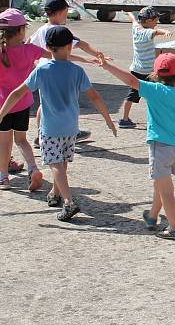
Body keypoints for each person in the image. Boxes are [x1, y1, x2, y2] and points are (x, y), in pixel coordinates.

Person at [0, 26, 117, 221]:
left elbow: (17, 93)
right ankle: (55, 193)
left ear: (47, 47)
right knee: (62, 161)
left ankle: (68, 202)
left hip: (50, 128)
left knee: (54, 163)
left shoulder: (42, 70)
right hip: (71, 127)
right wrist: (108, 120)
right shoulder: (77, 71)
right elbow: (95, 96)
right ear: (70, 48)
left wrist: (2, 113)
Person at [100, 52, 175, 240]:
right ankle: (152, 216)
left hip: (160, 148)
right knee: (160, 183)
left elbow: (130, 80)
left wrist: (107, 66)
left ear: (155, 74)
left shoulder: (154, 90)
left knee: (166, 190)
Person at [28, 0, 105, 145]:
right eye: (66, 11)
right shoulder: (60, 31)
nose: (67, 14)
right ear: (59, 12)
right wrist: (97, 54)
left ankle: (40, 135)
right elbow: (82, 45)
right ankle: (71, 131)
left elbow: (29, 44)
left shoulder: (42, 29)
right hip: (59, 71)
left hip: (43, 70)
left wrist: (32, 62)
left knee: (45, 104)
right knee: (68, 101)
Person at [0, 9, 45, 192]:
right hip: (23, 103)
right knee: (21, 140)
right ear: (20, 31)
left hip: (3, 105)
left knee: (4, 142)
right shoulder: (30, 50)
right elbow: (55, 55)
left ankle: (3, 177)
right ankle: (33, 168)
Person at [118, 7, 173, 129]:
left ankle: (124, 119)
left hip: (135, 70)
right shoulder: (146, 33)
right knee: (156, 96)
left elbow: (133, 20)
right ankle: (158, 120)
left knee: (132, 95)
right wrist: (165, 32)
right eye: (155, 20)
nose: (157, 22)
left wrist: (130, 14)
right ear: (148, 21)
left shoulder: (136, 29)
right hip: (148, 72)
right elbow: (156, 32)